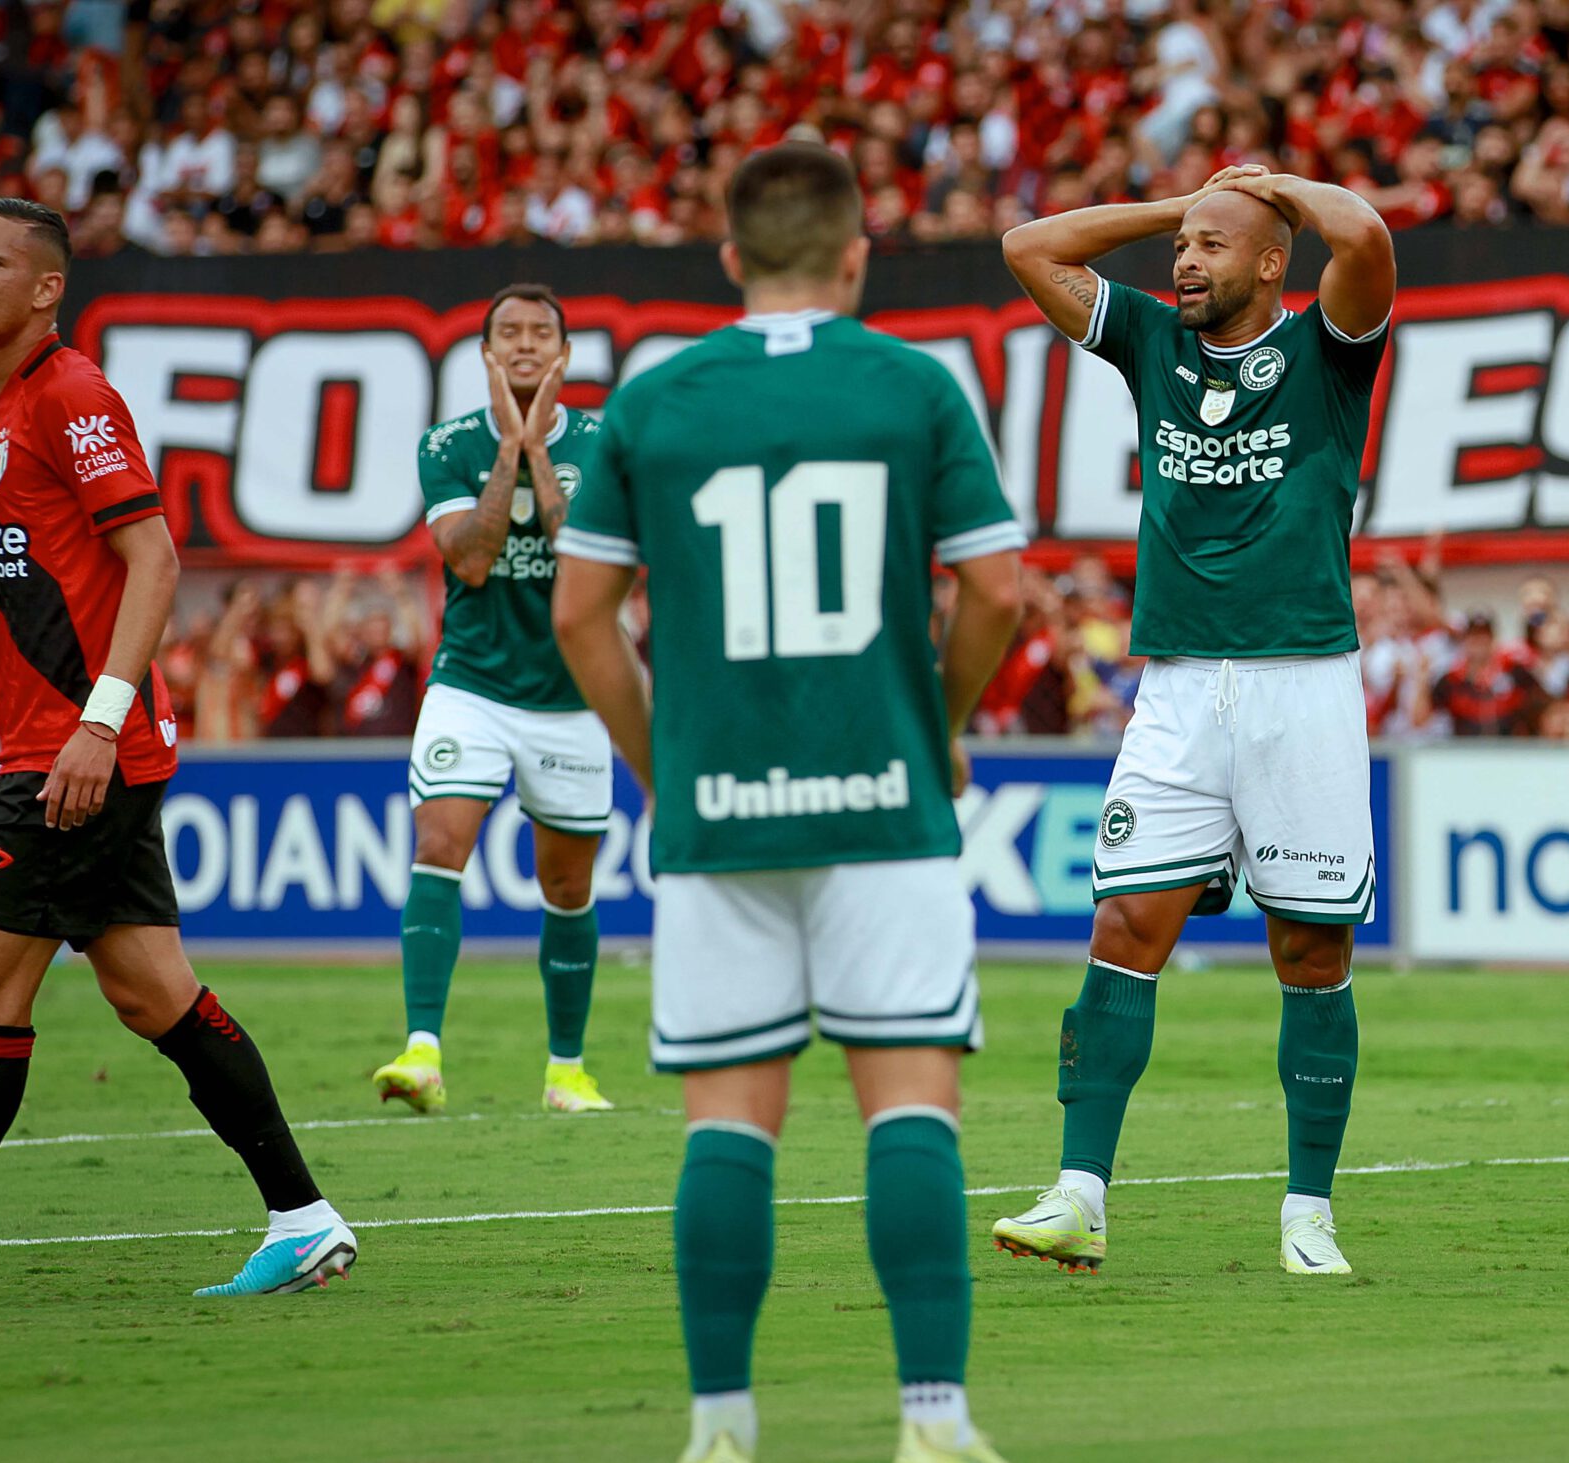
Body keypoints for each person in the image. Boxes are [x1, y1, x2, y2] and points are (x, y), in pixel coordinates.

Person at [552, 141, 1025, 1463]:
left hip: (719, 814)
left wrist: (661, 766)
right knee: (912, 1103)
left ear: (729, 260)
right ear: (859, 255)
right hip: (885, 799)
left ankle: (719, 1425)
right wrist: (937, 727)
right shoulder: (914, 382)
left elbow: (581, 614)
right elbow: (998, 591)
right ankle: (933, 1416)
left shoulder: (656, 397)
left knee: (727, 1122)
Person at [988, 161, 1394, 1277]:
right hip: (1174, 688)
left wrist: (1271, 189)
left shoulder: (1326, 347)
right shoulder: (1150, 344)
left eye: (1215, 247)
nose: (1184, 261)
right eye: (1181, 245)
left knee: (1310, 948)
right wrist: (1186, 205)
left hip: (1300, 681)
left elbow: (1362, 237)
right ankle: (1079, 1194)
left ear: (1272, 263)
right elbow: (1031, 243)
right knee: (1124, 932)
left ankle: (1307, 1212)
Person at [0, 197, 356, 1294]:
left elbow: (157, 559)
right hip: (59, 747)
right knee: (152, 993)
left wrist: (100, 715)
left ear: (46, 289)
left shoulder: (73, 396)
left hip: (77, 755)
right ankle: (303, 1213)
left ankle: (303, 1209)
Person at [371, 283, 616, 1117]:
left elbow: (581, 559)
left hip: (572, 694)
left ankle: (566, 1070)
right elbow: (470, 561)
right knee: (440, 839)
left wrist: (535, 448)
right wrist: (507, 448)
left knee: (567, 884)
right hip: (470, 683)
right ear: (482, 354)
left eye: (540, 333)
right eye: (506, 334)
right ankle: (422, 1052)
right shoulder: (445, 443)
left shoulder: (602, 439)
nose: (523, 346)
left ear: (564, 356)